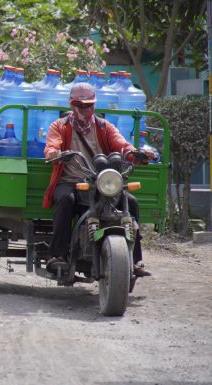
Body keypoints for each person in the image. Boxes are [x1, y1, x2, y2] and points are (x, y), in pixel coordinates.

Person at [43, 82, 154, 276]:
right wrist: (55, 153)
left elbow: (121, 144)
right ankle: (58, 255)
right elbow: (52, 144)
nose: (84, 110)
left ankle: (135, 259)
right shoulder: (60, 126)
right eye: (80, 105)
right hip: (71, 181)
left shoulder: (104, 126)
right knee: (65, 200)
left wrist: (134, 154)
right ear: (71, 105)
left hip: (102, 182)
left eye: (89, 105)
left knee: (131, 203)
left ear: (94, 105)